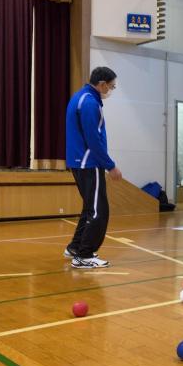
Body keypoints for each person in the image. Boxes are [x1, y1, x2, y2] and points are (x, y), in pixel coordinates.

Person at [64, 67, 122, 269]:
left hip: (79, 161)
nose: (111, 90)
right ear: (102, 84)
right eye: (111, 86)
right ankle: (84, 255)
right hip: (88, 162)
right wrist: (110, 165)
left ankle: (75, 247)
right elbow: (93, 139)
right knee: (99, 211)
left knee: (90, 207)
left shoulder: (80, 97)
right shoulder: (89, 103)